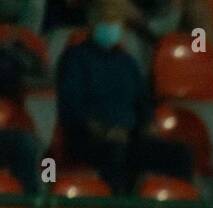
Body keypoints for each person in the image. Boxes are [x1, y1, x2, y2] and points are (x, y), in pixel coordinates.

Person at [55, 0, 193, 193]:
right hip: (91, 139)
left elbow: (143, 102)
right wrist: (103, 130)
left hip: (129, 137)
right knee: (116, 152)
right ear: (92, 21)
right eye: (106, 18)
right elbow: (71, 108)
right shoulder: (75, 59)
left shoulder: (127, 62)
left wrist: (148, 125)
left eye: (115, 19)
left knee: (179, 154)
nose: (112, 24)